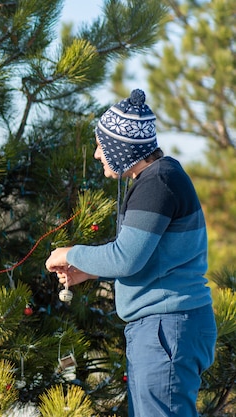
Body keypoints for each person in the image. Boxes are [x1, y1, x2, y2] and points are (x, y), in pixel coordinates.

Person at [45, 89, 216, 416]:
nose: (97, 154)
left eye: (101, 145)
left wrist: (70, 253)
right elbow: (152, 257)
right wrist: (90, 271)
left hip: (166, 327)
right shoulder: (159, 178)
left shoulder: (157, 184)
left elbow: (126, 257)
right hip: (167, 327)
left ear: (122, 148)